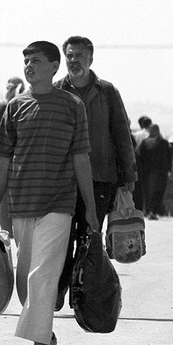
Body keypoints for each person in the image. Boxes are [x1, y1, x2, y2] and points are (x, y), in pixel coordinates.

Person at [0, 40, 98, 345]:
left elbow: (81, 159)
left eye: (35, 61)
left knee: (43, 275)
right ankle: (46, 334)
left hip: (59, 202)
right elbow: (3, 162)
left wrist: (89, 207)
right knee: (25, 279)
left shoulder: (72, 105)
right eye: (26, 62)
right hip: (20, 203)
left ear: (54, 66)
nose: (29, 67)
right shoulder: (15, 108)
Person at [53, 36, 136, 310]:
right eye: (70, 55)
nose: (74, 60)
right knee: (61, 239)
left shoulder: (107, 92)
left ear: (90, 59)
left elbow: (121, 134)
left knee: (89, 238)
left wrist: (128, 177)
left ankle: (84, 293)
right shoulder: (55, 91)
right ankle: (58, 289)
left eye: (79, 55)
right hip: (63, 180)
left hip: (101, 178)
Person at [0, 76, 26, 243]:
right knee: (5, 219)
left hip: (23, 169)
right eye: (9, 88)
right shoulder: (0, 109)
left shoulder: (26, 107)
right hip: (5, 166)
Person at [136, 124, 173, 220]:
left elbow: (168, 157)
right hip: (150, 171)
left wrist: (169, 169)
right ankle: (151, 211)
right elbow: (140, 156)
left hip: (159, 171)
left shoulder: (163, 143)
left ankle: (153, 211)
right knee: (151, 191)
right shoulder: (146, 143)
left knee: (157, 191)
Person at [132, 115, 152, 211]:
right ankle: (148, 209)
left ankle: (139, 208)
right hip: (151, 164)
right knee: (149, 187)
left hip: (138, 163)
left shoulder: (136, 135)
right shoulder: (154, 135)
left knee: (138, 187)